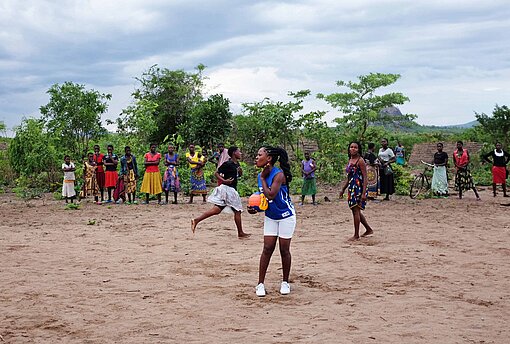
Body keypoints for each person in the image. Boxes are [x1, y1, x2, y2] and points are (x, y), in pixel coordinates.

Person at [249, 146, 295, 297]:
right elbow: (264, 201)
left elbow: (270, 195)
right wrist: (256, 209)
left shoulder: (278, 175)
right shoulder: (260, 175)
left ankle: (285, 282)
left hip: (286, 216)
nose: (256, 157)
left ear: (268, 158)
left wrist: (263, 178)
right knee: (267, 248)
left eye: (259, 154)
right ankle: (260, 284)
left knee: (284, 249)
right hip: (271, 216)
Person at [191, 146, 251, 238]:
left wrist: (240, 171)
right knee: (237, 211)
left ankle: (196, 220)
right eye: (239, 151)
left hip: (230, 189)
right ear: (234, 153)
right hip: (228, 189)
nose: (241, 153)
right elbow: (216, 173)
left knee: (217, 210)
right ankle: (240, 233)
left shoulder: (236, 163)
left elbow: (239, 175)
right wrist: (224, 180)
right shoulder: (228, 163)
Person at [339, 142, 374, 241]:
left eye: (355, 147)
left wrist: (364, 193)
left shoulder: (360, 161)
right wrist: (343, 189)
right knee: (355, 210)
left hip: (359, 187)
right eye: (351, 147)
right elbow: (349, 177)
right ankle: (368, 229)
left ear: (358, 149)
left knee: (355, 210)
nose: (353, 149)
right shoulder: (350, 160)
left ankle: (356, 235)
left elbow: (365, 177)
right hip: (352, 187)